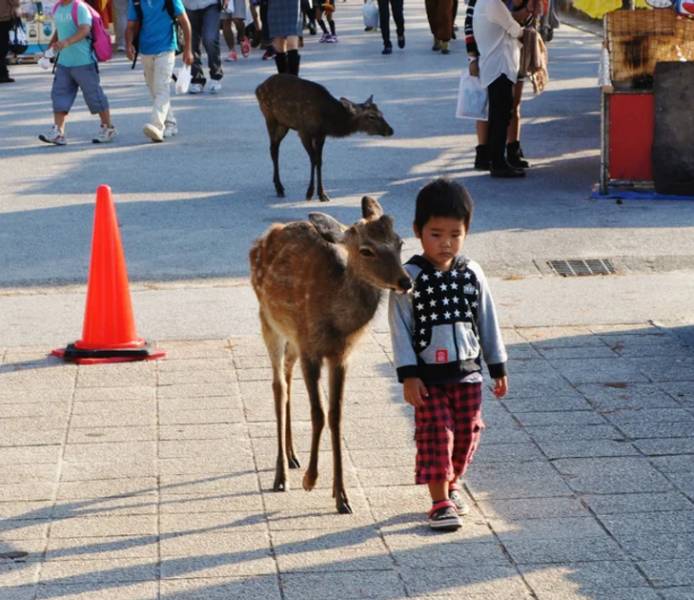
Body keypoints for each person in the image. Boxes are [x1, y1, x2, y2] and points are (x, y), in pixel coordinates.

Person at [389, 178, 508, 531]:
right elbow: (399, 328)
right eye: (436, 234)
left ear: (466, 232)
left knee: (468, 432)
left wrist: (497, 365)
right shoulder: (408, 278)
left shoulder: (472, 272)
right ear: (418, 231)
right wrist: (408, 374)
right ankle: (439, 500)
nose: (445, 243)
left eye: (455, 234)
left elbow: (488, 319)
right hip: (427, 377)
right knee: (436, 434)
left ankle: (454, 483)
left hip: (468, 372)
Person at [466, 0, 536, 172]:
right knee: (500, 116)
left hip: (497, 67)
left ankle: (498, 159)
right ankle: (498, 162)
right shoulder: (493, 4)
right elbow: (515, 29)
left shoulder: (487, 3)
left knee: (500, 114)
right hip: (499, 67)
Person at [38, 0, 116, 145]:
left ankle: (108, 128)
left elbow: (85, 29)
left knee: (94, 96)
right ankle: (58, 132)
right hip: (64, 63)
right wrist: (49, 51)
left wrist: (67, 42)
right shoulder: (57, 8)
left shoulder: (79, 7)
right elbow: (58, 31)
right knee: (59, 95)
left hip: (84, 62)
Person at [125, 0, 193, 142]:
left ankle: (156, 126)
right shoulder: (136, 1)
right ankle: (170, 122)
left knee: (161, 87)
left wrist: (188, 50)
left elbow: (185, 22)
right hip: (145, 50)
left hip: (166, 48)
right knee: (154, 90)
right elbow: (131, 25)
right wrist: (128, 44)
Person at [183, 0, 222, 93]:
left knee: (210, 38)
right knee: (192, 42)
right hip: (188, 5)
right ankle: (197, 78)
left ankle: (215, 75)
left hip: (211, 4)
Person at [267, 0, 301, 75]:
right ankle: (283, 80)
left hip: (292, 5)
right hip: (274, 5)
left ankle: (293, 80)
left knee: (292, 43)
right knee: (279, 45)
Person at [0, 0, 19, 82]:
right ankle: (3, 75)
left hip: (4, 19)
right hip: (3, 20)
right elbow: (15, 3)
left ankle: (3, 74)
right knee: (2, 49)